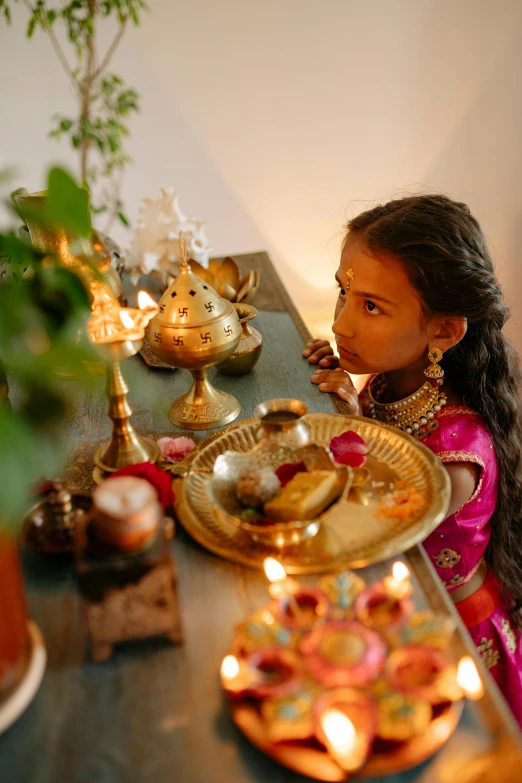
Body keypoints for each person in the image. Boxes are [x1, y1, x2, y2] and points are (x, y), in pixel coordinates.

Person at [303, 194, 522, 725]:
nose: (341, 325)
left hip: (446, 628)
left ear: (443, 330)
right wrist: (349, 400)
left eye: (371, 306)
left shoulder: (457, 456)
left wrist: (351, 423)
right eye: (343, 293)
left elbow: (371, 515)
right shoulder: (394, 379)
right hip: (394, 596)